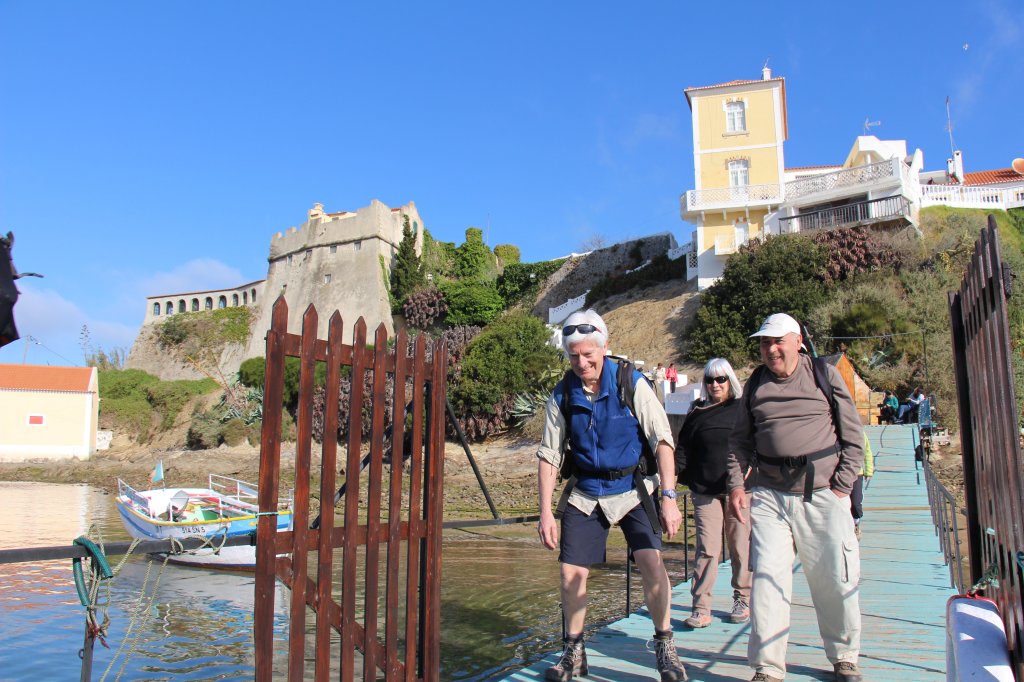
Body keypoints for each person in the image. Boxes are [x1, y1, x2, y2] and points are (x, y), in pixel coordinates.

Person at [537, 309, 687, 682]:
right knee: (571, 572)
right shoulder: (562, 394)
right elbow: (549, 454)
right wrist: (544, 512)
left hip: (633, 488)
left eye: (588, 354)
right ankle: (573, 650)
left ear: (605, 347)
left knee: (651, 562)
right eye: (574, 356)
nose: (582, 362)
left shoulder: (630, 383)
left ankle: (665, 646)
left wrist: (669, 497)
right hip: (586, 491)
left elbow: (663, 440)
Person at [727, 313, 865, 682]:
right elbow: (739, 441)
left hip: (822, 495)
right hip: (771, 496)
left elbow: (853, 436)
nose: (770, 349)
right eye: (763, 343)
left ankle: (844, 657)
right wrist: (737, 485)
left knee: (835, 581)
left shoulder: (824, 374)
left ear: (797, 340)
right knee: (768, 584)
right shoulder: (755, 383)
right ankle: (768, 668)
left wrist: (842, 487)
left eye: (777, 341)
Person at [675, 357, 751, 629]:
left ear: (730, 380)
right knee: (707, 549)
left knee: (740, 546)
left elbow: (754, 445)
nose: (715, 384)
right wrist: (668, 484)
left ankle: (742, 598)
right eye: (710, 379)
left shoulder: (742, 409)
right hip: (704, 490)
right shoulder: (696, 413)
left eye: (721, 379)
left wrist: (748, 476)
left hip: (738, 490)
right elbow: (682, 451)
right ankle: (701, 607)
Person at [850, 432, 874, 540]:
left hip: (856, 473)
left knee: (855, 502)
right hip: (839, 473)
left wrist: (868, 471)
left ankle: (856, 522)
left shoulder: (860, 433)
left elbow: (867, 452)